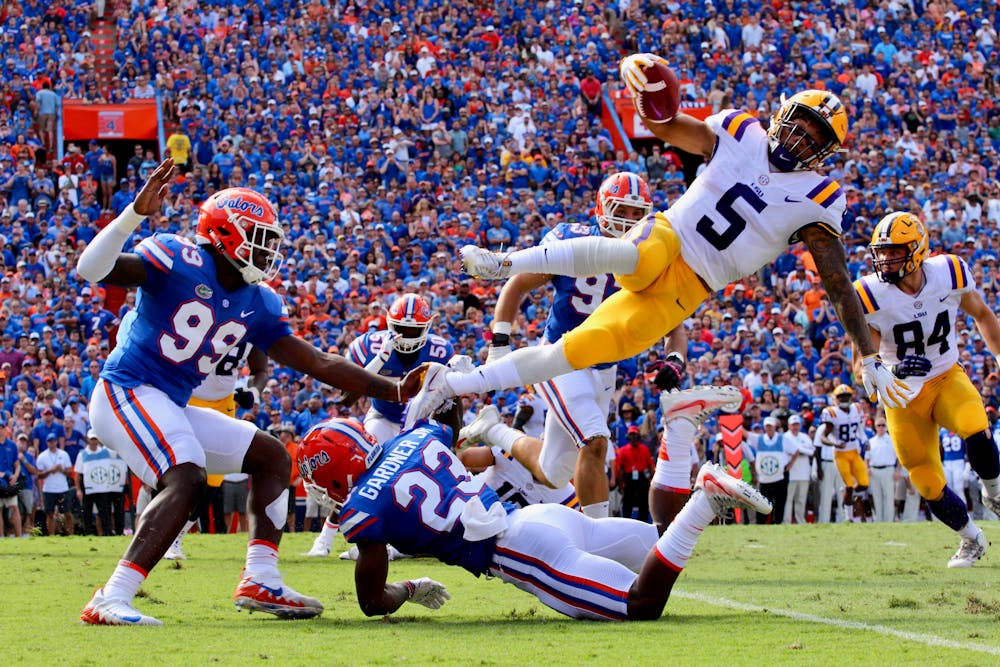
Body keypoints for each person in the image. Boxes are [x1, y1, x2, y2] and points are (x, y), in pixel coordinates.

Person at [408, 58, 913, 431]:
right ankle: (505, 262)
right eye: (799, 122)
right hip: (671, 235)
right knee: (634, 254)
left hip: (692, 287)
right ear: (783, 113)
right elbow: (666, 126)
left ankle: (450, 385)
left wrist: (866, 354)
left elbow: (838, 282)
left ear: (826, 151)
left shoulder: (820, 198)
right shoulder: (740, 129)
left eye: (814, 135)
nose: (800, 137)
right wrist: (651, 95)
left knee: (578, 350)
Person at [74, 159, 427, 625]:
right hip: (127, 391)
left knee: (272, 457)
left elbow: (318, 362)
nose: (268, 252)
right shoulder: (177, 260)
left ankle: (262, 577)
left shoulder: (257, 300)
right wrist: (132, 216)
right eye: (259, 239)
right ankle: (111, 596)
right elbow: (91, 269)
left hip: (169, 402)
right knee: (188, 477)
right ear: (225, 234)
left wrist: (396, 389)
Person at [297, 416, 772, 621]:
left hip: (522, 552)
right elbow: (454, 436)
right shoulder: (416, 437)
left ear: (333, 476)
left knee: (641, 604)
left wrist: (412, 589)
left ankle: (705, 500)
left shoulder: (362, 510)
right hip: (540, 516)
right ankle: (685, 445)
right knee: (656, 545)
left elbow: (372, 602)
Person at [485, 172, 653, 519]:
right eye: (624, 210)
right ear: (603, 209)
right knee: (595, 441)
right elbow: (517, 284)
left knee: (553, 472)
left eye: (639, 214)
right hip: (560, 359)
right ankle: (599, 539)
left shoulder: (647, 253)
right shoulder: (570, 239)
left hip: (605, 369)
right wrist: (500, 341)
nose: (631, 221)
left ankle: (493, 430)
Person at [853, 211, 1000, 567]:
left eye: (893, 251)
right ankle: (971, 538)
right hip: (901, 394)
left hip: (946, 375)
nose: (885, 260)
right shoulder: (870, 294)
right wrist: (892, 369)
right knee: (926, 480)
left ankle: (994, 492)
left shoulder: (948, 273)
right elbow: (860, 365)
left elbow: (981, 313)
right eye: (881, 252)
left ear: (918, 250)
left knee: (975, 429)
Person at [305, 293, 454, 558]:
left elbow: (448, 400)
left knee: (414, 483)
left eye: (413, 330)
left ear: (427, 328)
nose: (406, 336)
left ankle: (399, 544)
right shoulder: (369, 346)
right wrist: (381, 358)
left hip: (420, 422)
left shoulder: (440, 351)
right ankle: (325, 539)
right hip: (383, 417)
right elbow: (347, 393)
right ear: (388, 324)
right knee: (357, 472)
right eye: (401, 329)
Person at [165, 345, 270, 560]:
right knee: (182, 466)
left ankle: (176, 536)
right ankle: (162, 534)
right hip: (189, 395)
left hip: (224, 403)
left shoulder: (253, 321)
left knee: (213, 479)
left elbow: (261, 370)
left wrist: (253, 392)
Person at [817, 385, 870, 521]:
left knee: (864, 483)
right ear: (836, 399)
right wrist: (834, 443)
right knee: (849, 485)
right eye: (841, 397)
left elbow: (859, 429)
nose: (844, 398)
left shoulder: (856, 409)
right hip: (840, 454)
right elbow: (823, 437)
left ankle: (847, 495)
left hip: (854, 452)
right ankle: (849, 517)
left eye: (846, 396)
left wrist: (865, 441)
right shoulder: (831, 412)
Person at [74, 430, 120, 535]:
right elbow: (77, 474)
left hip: (102, 487)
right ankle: (88, 532)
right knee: (87, 511)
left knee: (104, 511)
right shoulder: (82, 454)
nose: (94, 441)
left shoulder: (105, 452)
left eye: (95, 439)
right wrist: (78, 490)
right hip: (88, 487)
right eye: (92, 439)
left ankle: (107, 532)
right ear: (88, 440)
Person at [36, 432, 74, 536]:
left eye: (53, 441)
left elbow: (70, 472)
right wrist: (50, 471)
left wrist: (61, 470)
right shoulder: (42, 456)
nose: (51, 443)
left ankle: (70, 534)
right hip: (49, 489)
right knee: (50, 513)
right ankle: (51, 535)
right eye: (49, 441)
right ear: (47, 442)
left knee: (67, 512)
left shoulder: (63, 454)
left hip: (63, 488)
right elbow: (38, 475)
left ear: (56, 442)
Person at [617, 425, 654, 522]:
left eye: (635, 435)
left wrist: (651, 480)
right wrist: (621, 484)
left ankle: (644, 522)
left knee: (644, 502)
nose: (633, 438)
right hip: (629, 478)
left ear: (638, 436)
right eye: (631, 435)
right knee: (627, 502)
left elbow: (650, 466)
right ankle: (626, 521)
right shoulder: (623, 450)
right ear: (628, 437)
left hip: (642, 477)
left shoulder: (644, 449)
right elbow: (620, 468)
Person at [783, 414, 814, 524]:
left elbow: (811, 451)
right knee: (788, 500)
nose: (795, 427)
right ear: (789, 426)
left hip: (804, 473)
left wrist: (798, 450)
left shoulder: (805, 437)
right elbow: (787, 451)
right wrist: (800, 451)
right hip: (790, 473)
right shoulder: (785, 437)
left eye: (797, 424)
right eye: (793, 425)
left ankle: (800, 521)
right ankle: (786, 521)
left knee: (801, 500)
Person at [866, 418, 897, 523]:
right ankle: (879, 520)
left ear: (886, 426)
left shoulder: (892, 440)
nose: (881, 428)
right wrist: (867, 468)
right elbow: (867, 457)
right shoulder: (871, 441)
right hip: (875, 470)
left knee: (889, 497)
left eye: (883, 425)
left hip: (888, 469)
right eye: (879, 425)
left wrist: (898, 471)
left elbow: (899, 458)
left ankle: (888, 520)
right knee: (877, 497)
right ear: (875, 427)